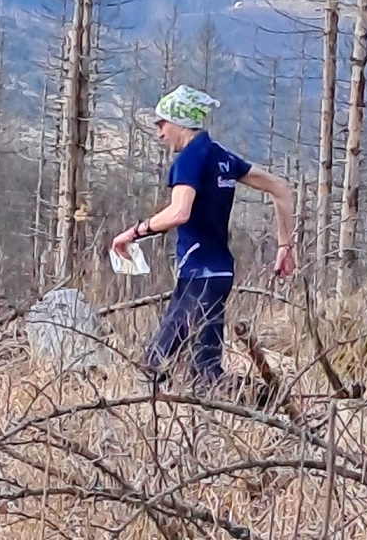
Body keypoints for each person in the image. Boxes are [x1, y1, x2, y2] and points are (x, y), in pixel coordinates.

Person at [110, 84, 296, 385]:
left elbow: (179, 212)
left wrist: (133, 233)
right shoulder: (221, 157)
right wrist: (285, 244)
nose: (159, 133)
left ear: (180, 123)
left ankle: (262, 403)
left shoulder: (188, 159)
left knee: (199, 374)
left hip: (200, 275)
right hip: (215, 273)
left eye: (162, 124)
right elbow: (280, 188)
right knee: (161, 364)